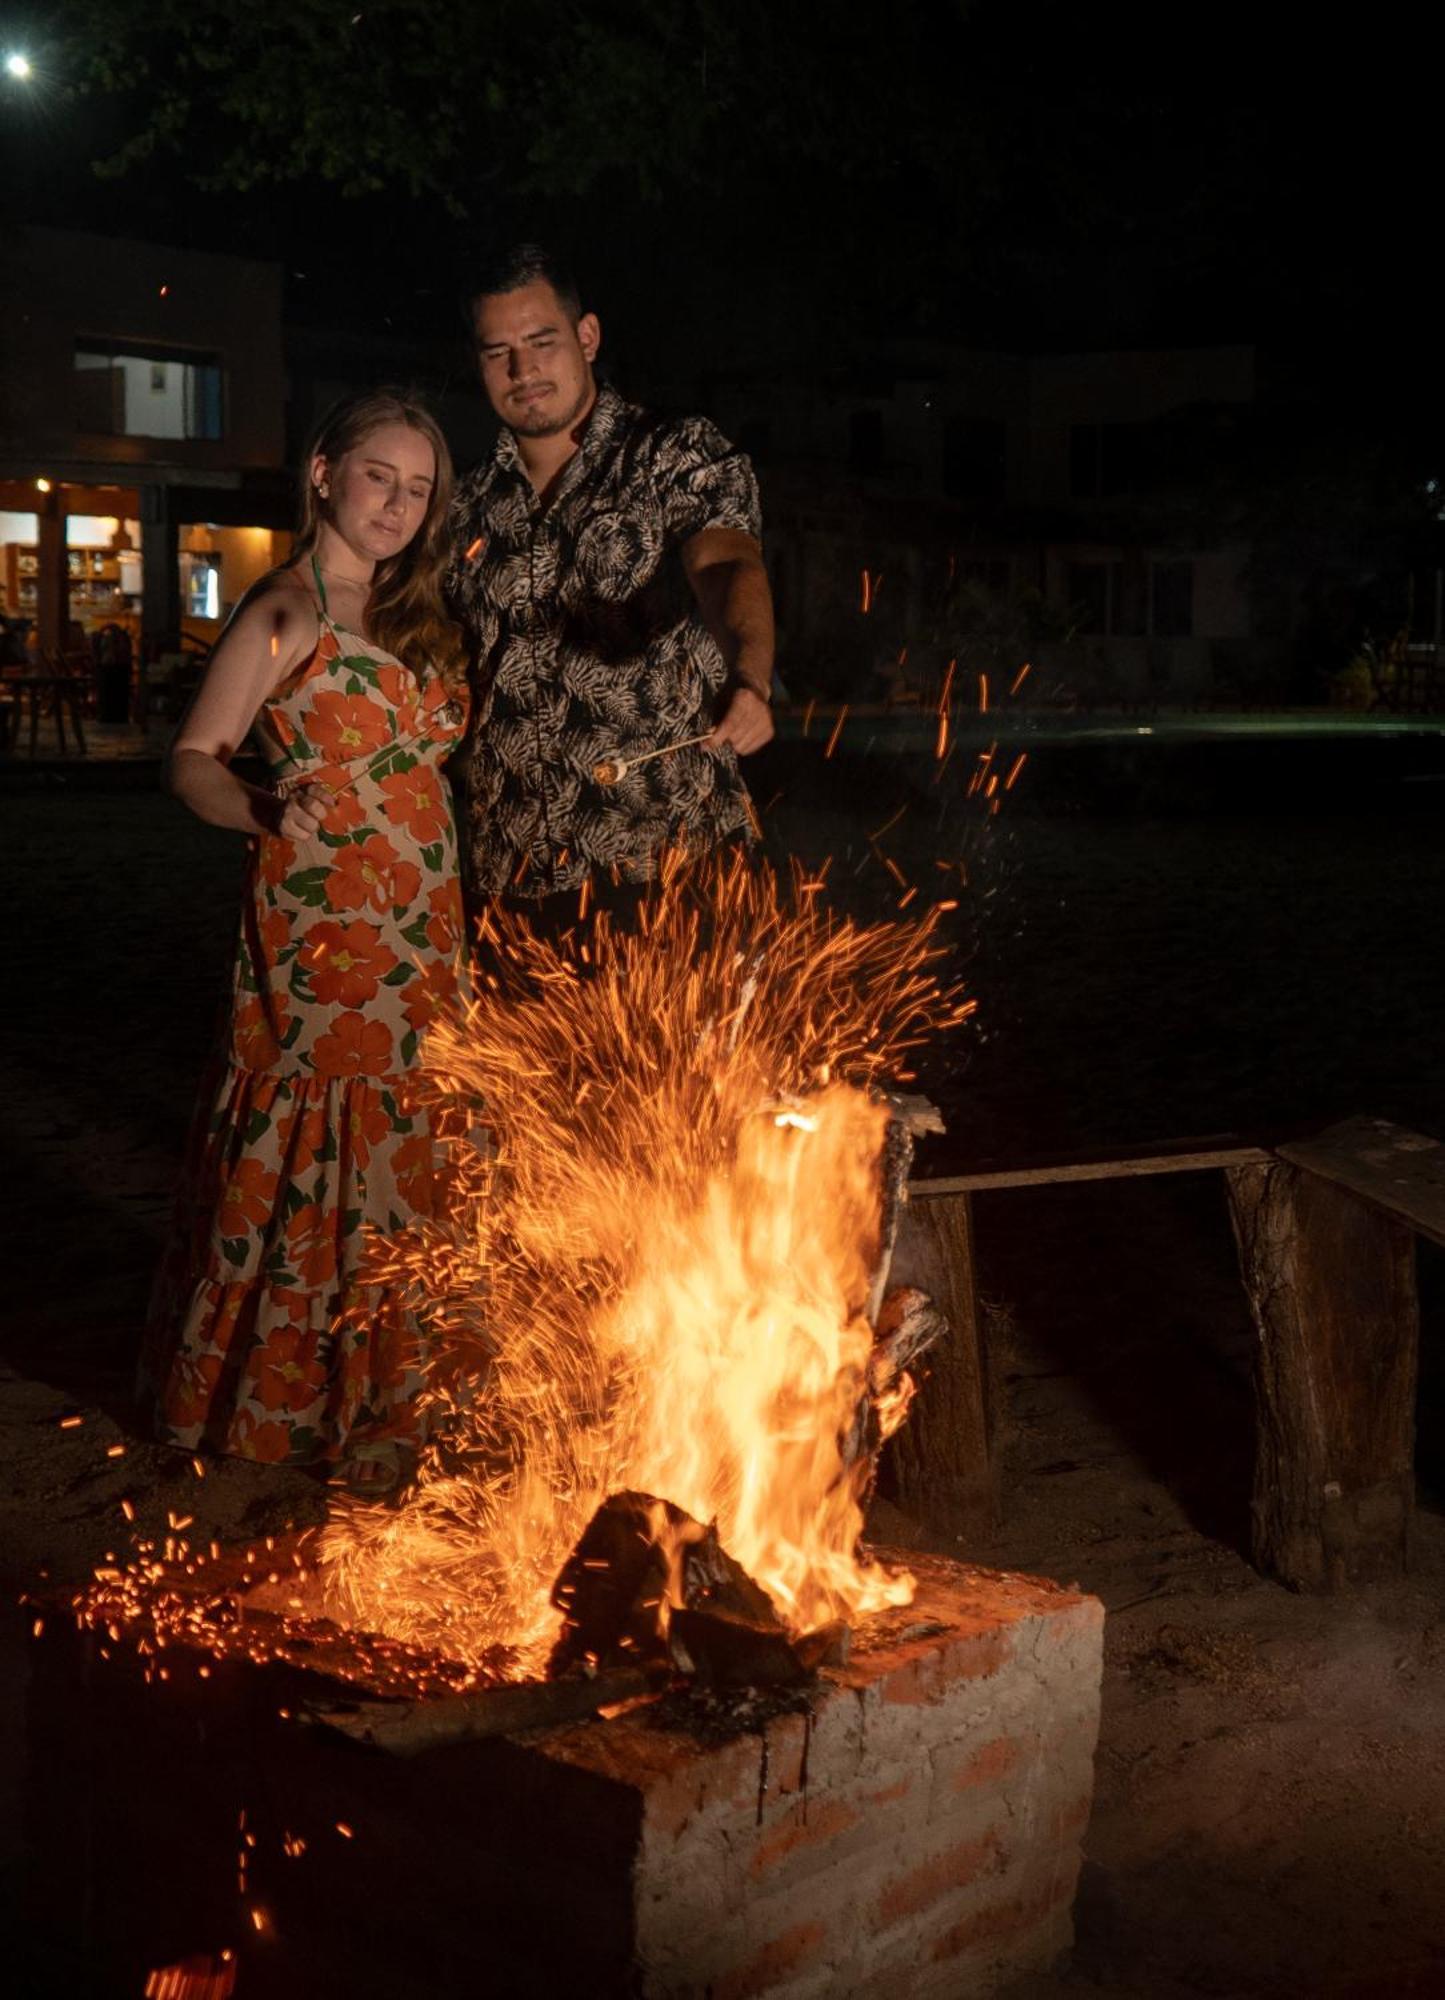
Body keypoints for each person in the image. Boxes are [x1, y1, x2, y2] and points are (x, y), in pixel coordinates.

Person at [143, 388, 470, 1491]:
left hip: (424, 922)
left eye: (418, 488)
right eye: (380, 475)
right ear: (324, 473)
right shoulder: (284, 611)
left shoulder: (417, 610)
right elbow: (194, 757)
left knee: (411, 1130)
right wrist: (261, 809)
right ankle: (290, 1400)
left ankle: (395, 1393)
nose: (397, 504)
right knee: (324, 1135)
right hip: (323, 922)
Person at [447, 244, 776, 924]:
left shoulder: (672, 455)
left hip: (668, 873)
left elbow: (725, 565)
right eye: (496, 351)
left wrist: (751, 677)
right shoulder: (462, 503)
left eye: (541, 341)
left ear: (587, 337)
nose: (522, 369)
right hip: (507, 885)